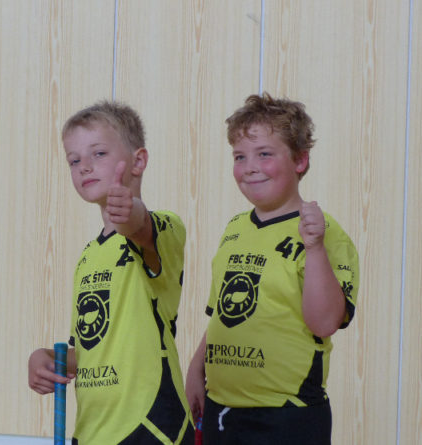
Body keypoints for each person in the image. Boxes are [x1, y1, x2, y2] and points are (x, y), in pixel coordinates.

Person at [185, 93, 359, 444]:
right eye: (240, 156)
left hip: (287, 413)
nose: (250, 167)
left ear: (300, 160)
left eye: (264, 154)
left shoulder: (325, 234)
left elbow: (325, 322)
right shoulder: (235, 229)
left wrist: (314, 248)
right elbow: (223, 314)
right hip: (222, 408)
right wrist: (195, 368)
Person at [28, 101, 195, 444]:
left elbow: (139, 225)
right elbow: (92, 353)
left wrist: (130, 212)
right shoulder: (89, 257)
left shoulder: (164, 229)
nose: (85, 167)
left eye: (99, 153)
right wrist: (45, 358)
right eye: (74, 160)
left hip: (149, 429)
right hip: (93, 432)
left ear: (138, 161)